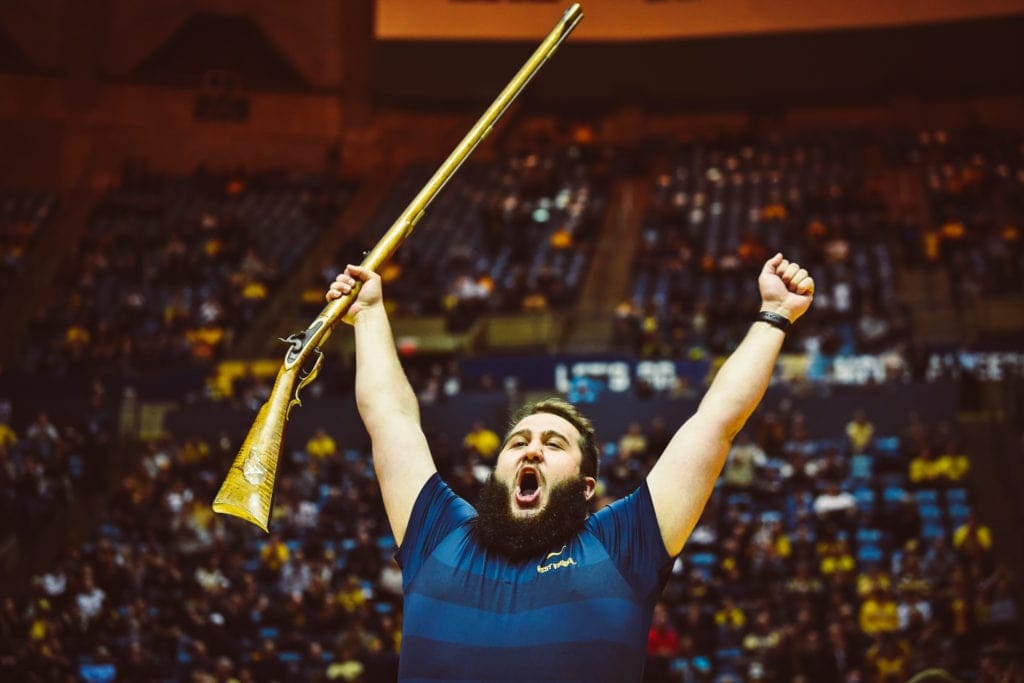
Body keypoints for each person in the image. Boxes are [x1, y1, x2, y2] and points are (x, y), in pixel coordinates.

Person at [325, 252, 814, 681]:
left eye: (553, 444)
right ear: (497, 471)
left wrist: (774, 315)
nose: (531, 450)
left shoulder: (623, 544)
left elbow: (715, 423)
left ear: (586, 487)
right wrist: (369, 313)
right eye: (517, 442)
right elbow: (389, 418)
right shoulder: (439, 532)